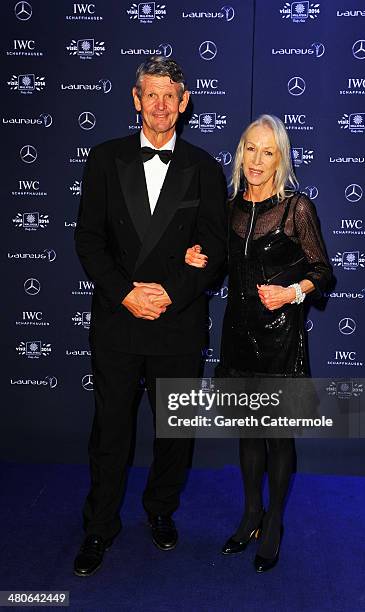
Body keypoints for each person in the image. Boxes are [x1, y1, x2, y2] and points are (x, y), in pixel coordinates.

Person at [73, 56, 227, 577]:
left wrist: (169, 292)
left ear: (184, 104)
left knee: (174, 433)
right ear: (136, 100)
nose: (161, 105)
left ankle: (161, 511)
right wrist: (125, 294)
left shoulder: (205, 167)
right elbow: (89, 240)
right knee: (111, 430)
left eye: (170, 96)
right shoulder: (103, 158)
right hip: (119, 322)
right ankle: (99, 526)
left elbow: (215, 248)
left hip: (178, 323)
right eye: (151, 94)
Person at [185, 114, 332, 573]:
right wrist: (194, 260)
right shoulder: (228, 207)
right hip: (238, 336)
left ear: (280, 158)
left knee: (277, 435)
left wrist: (292, 293)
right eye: (251, 148)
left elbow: (323, 272)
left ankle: (274, 524)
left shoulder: (296, 209)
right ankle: (251, 514)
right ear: (241, 151)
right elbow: (216, 270)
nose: (257, 159)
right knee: (248, 432)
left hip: (282, 340)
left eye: (268, 151)